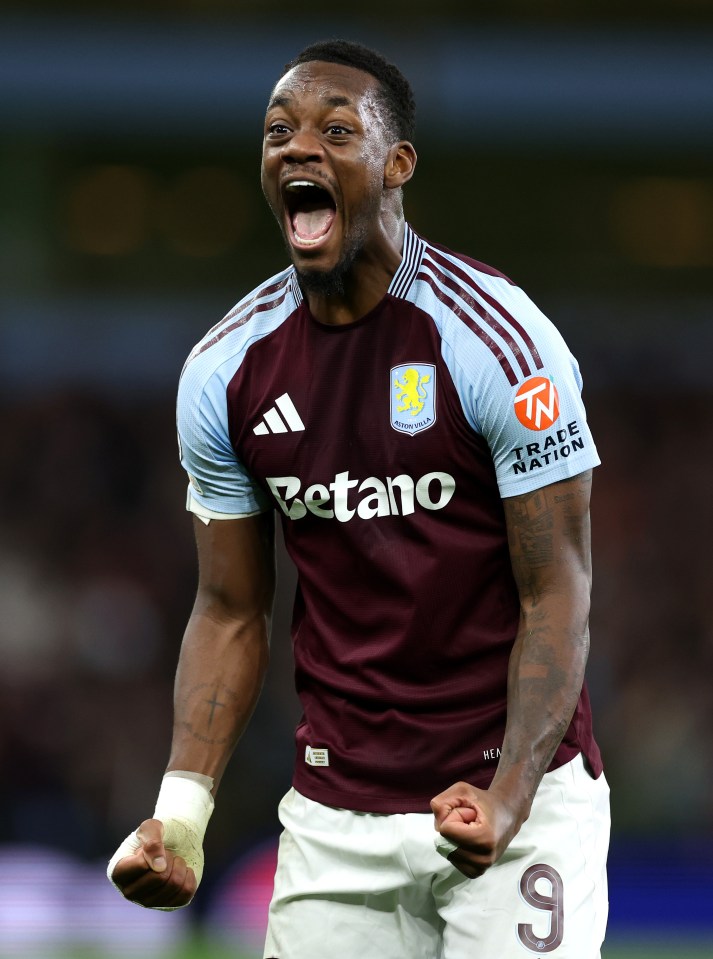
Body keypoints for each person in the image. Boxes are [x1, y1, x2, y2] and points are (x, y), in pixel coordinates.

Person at [107, 39, 610, 958]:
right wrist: (180, 813)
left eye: (336, 130)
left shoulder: (500, 343)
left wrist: (507, 795)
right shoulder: (224, 371)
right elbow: (227, 609)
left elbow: (558, 591)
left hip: (518, 806)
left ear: (396, 164)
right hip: (335, 820)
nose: (297, 147)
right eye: (277, 133)